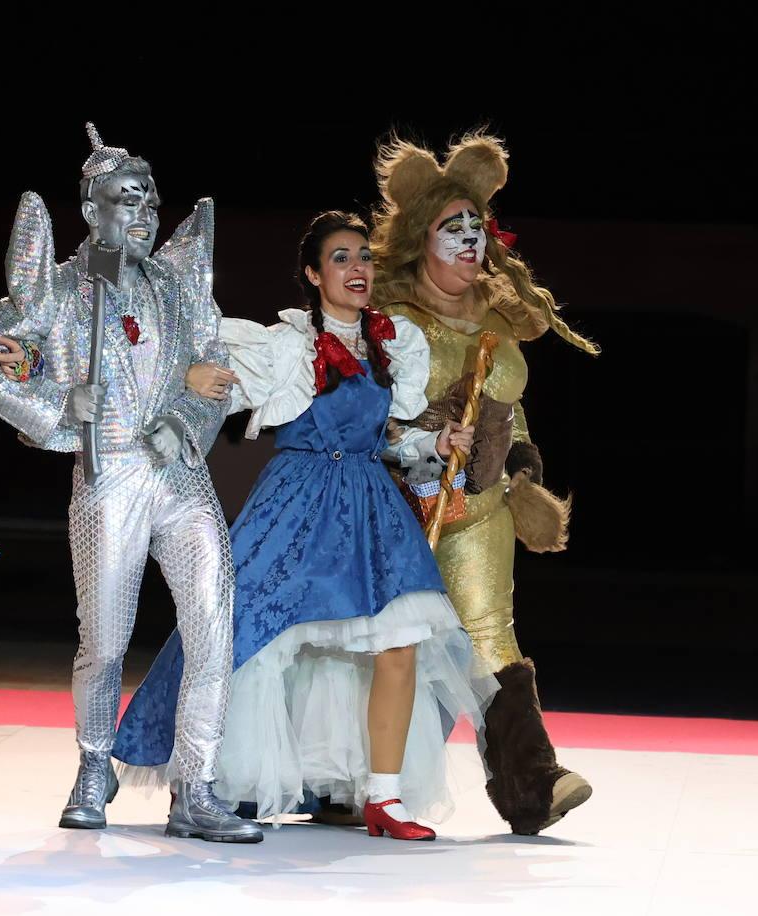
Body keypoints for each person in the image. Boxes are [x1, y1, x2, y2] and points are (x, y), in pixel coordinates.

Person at [114, 211, 494, 839]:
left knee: (398, 642)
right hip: (298, 501)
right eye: (342, 258)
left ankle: (384, 798)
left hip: (370, 504)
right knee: (247, 635)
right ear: (315, 274)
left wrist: (433, 441)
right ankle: (215, 776)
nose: (358, 269)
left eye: (365, 257)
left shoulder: (390, 345)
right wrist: (180, 377)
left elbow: (389, 440)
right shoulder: (287, 345)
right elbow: (201, 365)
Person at [0, 125, 262, 843]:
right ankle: (95, 764)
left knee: (214, 625)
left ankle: (196, 784)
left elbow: (215, 371)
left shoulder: (178, 291)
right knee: (104, 636)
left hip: (182, 477)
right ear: (92, 210)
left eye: (151, 201)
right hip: (109, 477)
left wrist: (186, 419)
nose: (145, 214)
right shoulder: (58, 292)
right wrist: (57, 408)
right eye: (127, 201)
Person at [370, 132, 599, 834]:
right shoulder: (392, 321)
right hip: (405, 505)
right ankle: (342, 779)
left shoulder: (500, 319)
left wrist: (524, 468)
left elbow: (513, 412)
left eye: (478, 229)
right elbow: (365, 417)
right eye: (452, 229)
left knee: (490, 638)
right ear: (419, 239)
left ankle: (533, 785)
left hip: (479, 507)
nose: (471, 242)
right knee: (383, 644)